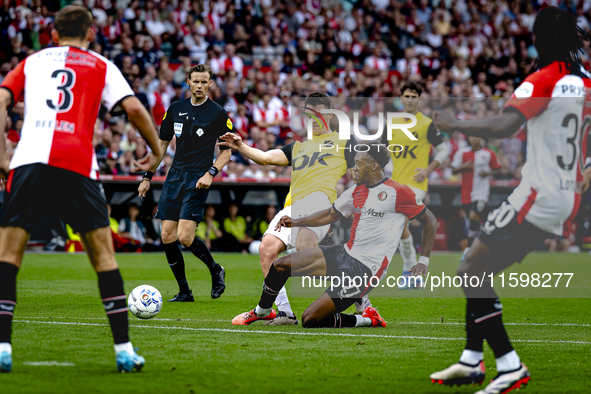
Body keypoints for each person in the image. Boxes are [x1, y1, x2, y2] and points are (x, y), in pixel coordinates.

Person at [430, 8, 591, 394]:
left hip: (537, 195)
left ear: (540, 39)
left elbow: (504, 125)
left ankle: (508, 363)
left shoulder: (543, 79)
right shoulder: (585, 82)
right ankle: (471, 359)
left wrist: (455, 123)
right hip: (565, 195)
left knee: (470, 270)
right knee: (476, 267)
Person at [0, 6, 162, 373]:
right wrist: (155, 150)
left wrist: (0, 153)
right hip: (76, 163)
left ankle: (2, 348)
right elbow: (134, 108)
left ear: (53, 35)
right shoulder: (100, 63)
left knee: (8, 256)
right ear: (91, 33)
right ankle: (123, 350)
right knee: (104, 258)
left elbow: (2, 99)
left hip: (28, 161)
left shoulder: (33, 61)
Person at [231, 143, 437, 328]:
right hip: (344, 254)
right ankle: (262, 311)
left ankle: (366, 319)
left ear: (374, 166)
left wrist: (424, 260)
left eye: (358, 163)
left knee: (310, 320)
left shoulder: (399, 192)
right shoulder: (356, 191)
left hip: (365, 269)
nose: (353, 168)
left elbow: (430, 221)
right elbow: (329, 215)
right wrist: (297, 221)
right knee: (280, 265)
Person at [218, 92, 357, 325]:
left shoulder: (345, 141)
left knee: (304, 249)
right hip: (292, 205)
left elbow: (361, 175)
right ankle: (284, 312)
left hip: (320, 203)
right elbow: (264, 158)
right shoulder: (298, 147)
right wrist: (241, 146)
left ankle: (353, 281)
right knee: (267, 249)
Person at [136, 64, 232, 302]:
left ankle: (215, 269)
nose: (199, 86)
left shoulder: (218, 113)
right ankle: (185, 292)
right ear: (188, 83)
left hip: (197, 178)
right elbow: (161, 146)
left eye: (204, 82)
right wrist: (147, 176)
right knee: (167, 235)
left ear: (210, 84)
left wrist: (210, 173)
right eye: (195, 81)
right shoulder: (175, 109)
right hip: (175, 175)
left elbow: (226, 152)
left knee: (185, 237)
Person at [381, 81, 449, 292]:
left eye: (414, 96)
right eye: (407, 96)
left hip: (417, 184)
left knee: (401, 221)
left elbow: (444, 151)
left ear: (419, 99)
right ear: (401, 98)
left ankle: (409, 269)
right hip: (396, 183)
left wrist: (428, 171)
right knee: (400, 225)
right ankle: (412, 272)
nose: (410, 100)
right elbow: (382, 152)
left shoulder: (427, 123)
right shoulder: (391, 123)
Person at [451, 136, 500, 246]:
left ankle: (471, 244)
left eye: (476, 137)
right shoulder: (462, 153)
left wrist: (488, 173)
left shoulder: (488, 153)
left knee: (473, 216)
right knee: (471, 220)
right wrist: (464, 166)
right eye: (472, 137)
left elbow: (498, 169)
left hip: (481, 192)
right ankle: (480, 237)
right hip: (466, 193)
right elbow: (453, 170)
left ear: (481, 138)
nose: (474, 139)